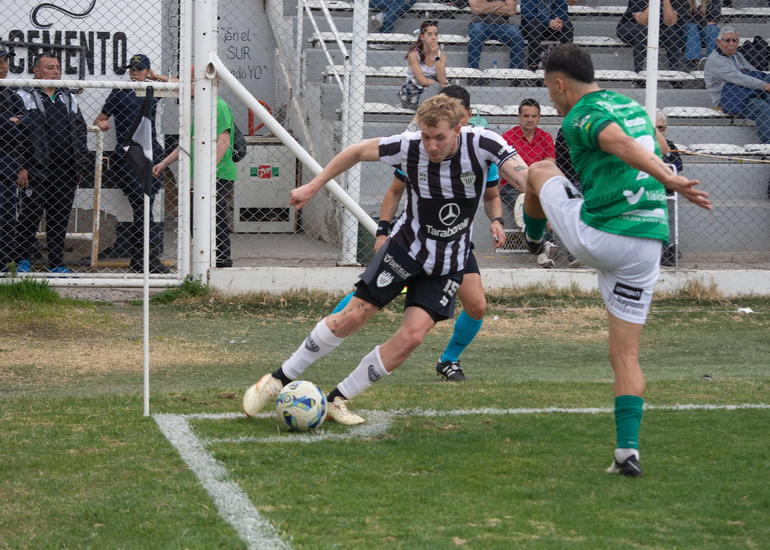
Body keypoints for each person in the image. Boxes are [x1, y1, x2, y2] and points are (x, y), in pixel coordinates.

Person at [242, 94, 530, 424]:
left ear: (459, 128)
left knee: (412, 337)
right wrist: (313, 186)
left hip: (448, 263)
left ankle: (337, 399)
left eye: (440, 137)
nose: (432, 145)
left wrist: (536, 197)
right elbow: (356, 151)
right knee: (353, 318)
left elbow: (521, 174)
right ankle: (278, 379)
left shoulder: (483, 143)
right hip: (405, 250)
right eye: (426, 136)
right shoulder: (410, 146)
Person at [522, 44, 711, 476]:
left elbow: (618, 142)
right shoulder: (630, 105)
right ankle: (628, 452)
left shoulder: (580, 115)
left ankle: (535, 242)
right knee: (625, 354)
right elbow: (646, 142)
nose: (550, 100)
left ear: (559, 84)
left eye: (549, 91)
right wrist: (664, 173)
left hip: (603, 234)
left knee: (539, 170)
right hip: (648, 242)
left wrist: (669, 176)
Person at [333, 85, 502, 382]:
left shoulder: (480, 153)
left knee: (477, 305)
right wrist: (382, 233)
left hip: (456, 245)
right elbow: (394, 192)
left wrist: (497, 219)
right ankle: (330, 330)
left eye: (457, 117)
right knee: (370, 296)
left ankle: (448, 360)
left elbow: (491, 195)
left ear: (466, 117)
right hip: (414, 241)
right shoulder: (420, 151)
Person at [90, 54, 176, 273]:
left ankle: (142, 259)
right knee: (141, 202)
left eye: (139, 69)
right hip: (127, 155)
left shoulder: (153, 88)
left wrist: (158, 77)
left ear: (148, 71)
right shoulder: (120, 91)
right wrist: (102, 124)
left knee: (147, 203)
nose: (134, 73)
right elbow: (99, 119)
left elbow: (184, 85)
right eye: (132, 69)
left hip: (151, 153)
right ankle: (144, 258)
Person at [14, 51, 91, 274]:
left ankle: (57, 264)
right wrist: (22, 166)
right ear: (36, 72)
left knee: (59, 220)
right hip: (36, 171)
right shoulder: (23, 96)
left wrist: (81, 164)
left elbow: (79, 131)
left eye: (57, 67)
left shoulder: (68, 97)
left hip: (66, 170)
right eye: (49, 67)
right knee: (30, 217)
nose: (56, 71)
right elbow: (18, 135)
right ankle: (22, 261)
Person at [154, 67, 237, 268]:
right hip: (204, 175)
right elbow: (185, 145)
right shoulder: (201, 109)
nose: (187, 86)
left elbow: (222, 142)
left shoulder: (217, 106)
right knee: (197, 218)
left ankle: (221, 262)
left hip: (217, 175)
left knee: (213, 218)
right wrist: (164, 164)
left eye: (191, 81)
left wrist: (207, 173)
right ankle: (206, 261)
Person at [500, 98, 558, 267]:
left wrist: (534, 186)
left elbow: (549, 166)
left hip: (538, 186)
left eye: (533, 116)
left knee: (540, 200)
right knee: (526, 204)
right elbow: (503, 168)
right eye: (525, 115)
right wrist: (520, 184)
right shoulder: (508, 137)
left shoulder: (545, 137)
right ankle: (546, 246)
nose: (529, 119)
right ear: (519, 117)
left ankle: (543, 250)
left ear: (539, 117)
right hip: (512, 186)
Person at [704, 27, 770, 144]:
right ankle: (768, 145)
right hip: (729, 98)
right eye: (727, 40)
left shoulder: (737, 55)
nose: (731, 44)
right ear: (718, 42)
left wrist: (765, 80)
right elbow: (739, 78)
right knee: (763, 108)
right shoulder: (715, 60)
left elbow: (753, 72)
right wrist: (764, 85)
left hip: (746, 91)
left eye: (734, 41)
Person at [0, 46, 24, 273]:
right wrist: (13, 123)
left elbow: (30, 121)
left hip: (9, 165)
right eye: (0, 61)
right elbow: (7, 130)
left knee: (8, 214)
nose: (3, 66)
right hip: (4, 160)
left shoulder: (9, 91)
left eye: (6, 61)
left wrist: (16, 122)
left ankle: (3, 260)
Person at [616, 0, 682, 74]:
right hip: (631, 26)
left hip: (658, 28)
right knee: (643, 30)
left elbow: (670, 22)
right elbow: (642, 21)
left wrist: (666, 1)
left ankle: (674, 75)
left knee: (672, 31)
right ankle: (638, 75)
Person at [467, 0, 525, 79]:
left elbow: (511, 11)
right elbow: (478, 9)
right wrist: (500, 4)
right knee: (477, 32)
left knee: (517, 34)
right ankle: (473, 73)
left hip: (503, 25)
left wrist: (486, 6)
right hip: (479, 23)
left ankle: (516, 75)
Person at [398, 21, 448, 110]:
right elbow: (422, 80)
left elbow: (443, 80)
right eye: (429, 34)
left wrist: (436, 55)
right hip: (414, 93)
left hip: (436, 93)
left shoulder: (441, 55)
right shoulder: (413, 55)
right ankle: (425, 111)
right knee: (437, 88)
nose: (433, 37)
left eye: (436, 34)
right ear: (422, 36)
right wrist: (439, 85)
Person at [655, 110, 683, 266]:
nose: (658, 131)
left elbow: (678, 165)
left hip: (665, 189)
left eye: (661, 128)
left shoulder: (670, 145)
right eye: (655, 128)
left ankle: (670, 248)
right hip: (644, 188)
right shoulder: (638, 144)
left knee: (669, 215)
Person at [520, 0, 574, 71]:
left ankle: (564, 65)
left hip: (553, 28)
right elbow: (529, 15)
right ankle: (533, 67)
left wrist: (556, 21)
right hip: (531, 29)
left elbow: (562, 11)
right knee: (535, 25)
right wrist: (548, 21)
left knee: (568, 26)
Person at [678, 0, 722, 70]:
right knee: (692, 27)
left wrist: (700, 23)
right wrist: (704, 23)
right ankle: (695, 61)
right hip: (687, 30)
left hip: (705, 29)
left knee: (713, 29)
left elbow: (715, 18)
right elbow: (683, 20)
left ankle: (713, 61)